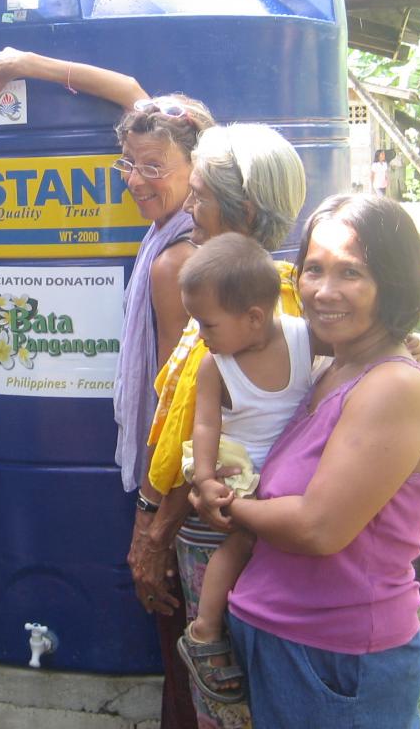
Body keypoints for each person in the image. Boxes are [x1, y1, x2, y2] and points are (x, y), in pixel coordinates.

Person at [0, 46, 215, 729]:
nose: (137, 180)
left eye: (153, 168)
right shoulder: (189, 217)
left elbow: (181, 403)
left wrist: (153, 520)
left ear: (194, 168)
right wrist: (28, 63)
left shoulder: (177, 260)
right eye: (129, 165)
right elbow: (133, 94)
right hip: (187, 483)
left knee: (189, 648)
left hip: (177, 488)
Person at [196, 194, 420, 728]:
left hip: (335, 657)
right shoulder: (332, 368)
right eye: (314, 269)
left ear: (393, 283)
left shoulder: (391, 386)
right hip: (284, 637)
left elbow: (317, 528)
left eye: (350, 271)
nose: (324, 291)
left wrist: (229, 506)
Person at [131, 123, 308, 729]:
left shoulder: (258, 315)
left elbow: (194, 437)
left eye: (200, 193)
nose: (188, 205)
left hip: (219, 523)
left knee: (221, 684)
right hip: (226, 518)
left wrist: (154, 531)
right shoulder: (257, 300)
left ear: (245, 209)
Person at [171, 235, 314, 705]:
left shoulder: (304, 337)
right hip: (244, 485)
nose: (199, 333)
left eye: (206, 323)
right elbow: (206, 424)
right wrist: (207, 479)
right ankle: (205, 630)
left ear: (254, 317)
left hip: (291, 485)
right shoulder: (215, 365)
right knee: (238, 545)